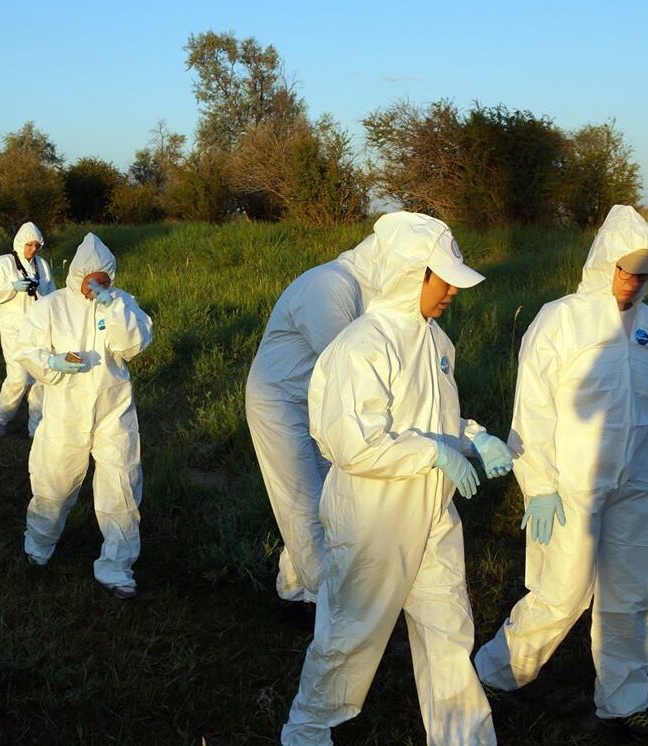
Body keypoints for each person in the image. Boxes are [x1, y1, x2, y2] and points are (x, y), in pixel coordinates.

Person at [282, 212, 512, 746]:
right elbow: (352, 443)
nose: (452, 290)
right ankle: (308, 730)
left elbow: (432, 417)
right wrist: (432, 452)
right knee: (350, 636)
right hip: (374, 517)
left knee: (449, 633)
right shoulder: (362, 345)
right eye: (442, 277)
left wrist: (472, 437)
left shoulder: (436, 342)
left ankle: (463, 738)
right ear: (411, 273)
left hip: (432, 510)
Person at [473, 205, 648, 743]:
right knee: (563, 592)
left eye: (645, 273)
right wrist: (541, 486)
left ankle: (624, 704)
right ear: (605, 263)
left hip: (638, 483)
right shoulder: (562, 319)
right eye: (627, 270)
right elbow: (533, 412)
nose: (635, 282)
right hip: (572, 486)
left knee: (630, 596)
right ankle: (491, 676)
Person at [245, 230, 383, 612]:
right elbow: (351, 366)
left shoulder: (361, 289)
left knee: (326, 500)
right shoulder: (330, 286)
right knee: (302, 506)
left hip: (315, 403)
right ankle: (332, 609)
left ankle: (294, 589)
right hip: (278, 403)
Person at [15, 232, 152, 599]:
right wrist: (54, 363)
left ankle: (117, 565)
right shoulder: (51, 306)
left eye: (103, 281)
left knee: (120, 486)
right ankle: (38, 546)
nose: (95, 286)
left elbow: (133, 345)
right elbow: (27, 350)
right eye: (90, 281)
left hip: (113, 410)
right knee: (54, 483)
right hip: (65, 410)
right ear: (75, 276)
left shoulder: (122, 302)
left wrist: (111, 305)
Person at [0, 222, 55, 437]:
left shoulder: (42, 265)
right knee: (18, 377)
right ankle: (0, 419)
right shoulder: (4, 263)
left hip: (39, 329)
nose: (33, 250)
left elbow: (51, 293)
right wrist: (12, 288)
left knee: (41, 377)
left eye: (36, 246)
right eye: (29, 245)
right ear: (20, 243)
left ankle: (36, 426)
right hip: (14, 327)